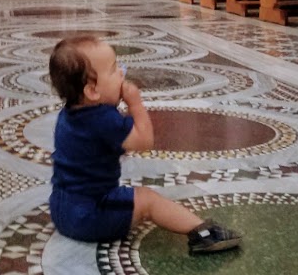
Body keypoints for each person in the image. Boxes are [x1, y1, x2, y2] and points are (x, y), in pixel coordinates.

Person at [49, 36, 242, 254]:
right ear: (92, 91)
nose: (122, 73)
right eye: (114, 70)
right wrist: (135, 102)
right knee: (147, 200)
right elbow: (143, 141)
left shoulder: (69, 115)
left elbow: (114, 138)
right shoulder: (103, 119)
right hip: (92, 215)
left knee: (126, 194)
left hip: (62, 209)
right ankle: (204, 234)